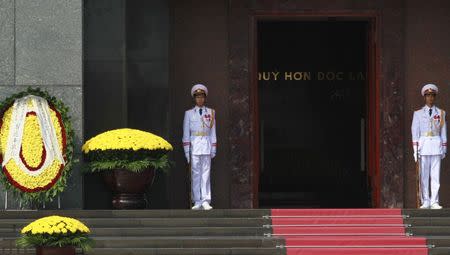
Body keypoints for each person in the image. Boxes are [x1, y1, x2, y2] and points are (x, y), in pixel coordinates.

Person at [411, 83, 447, 209]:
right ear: (424, 97)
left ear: (435, 97)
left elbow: (443, 131)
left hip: (436, 145)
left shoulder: (441, 113)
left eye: (432, 96)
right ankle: (425, 200)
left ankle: (434, 201)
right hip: (424, 146)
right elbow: (414, 132)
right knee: (424, 176)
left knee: (435, 175)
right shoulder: (418, 113)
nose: (430, 98)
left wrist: (444, 147)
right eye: (428, 96)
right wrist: (415, 150)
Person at [182, 84, 217, 210]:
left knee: (206, 174)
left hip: (206, 145)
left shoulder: (211, 113)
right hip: (195, 146)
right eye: (197, 97)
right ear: (194, 99)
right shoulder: (189, 114)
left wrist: (213, 147)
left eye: (202, 97)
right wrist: (187, 151)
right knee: (195, 174)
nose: (200, 99)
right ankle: (197, 200)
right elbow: (186, 133)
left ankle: (206, 200)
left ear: (205, 98)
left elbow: (213, 132)